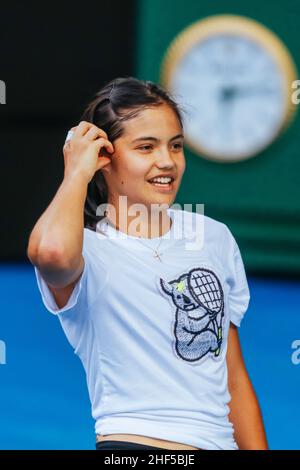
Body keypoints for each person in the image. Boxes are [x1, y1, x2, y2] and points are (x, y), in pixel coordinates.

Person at [27, 77, 268, 451]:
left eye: (176, 146)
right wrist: (76, 171)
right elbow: (52, 255)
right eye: (145, 147)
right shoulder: (86, 247)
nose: (167, 161)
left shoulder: (214, 237)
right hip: (134, 449)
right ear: (104, 157)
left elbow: (232, 376)